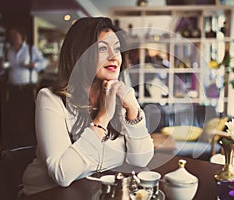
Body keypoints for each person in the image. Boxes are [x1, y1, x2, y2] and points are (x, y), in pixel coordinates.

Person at [22, 17, 154, 195]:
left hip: (92, 191)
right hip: (48, 194)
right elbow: (62, 174)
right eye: (102, 48)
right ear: (80, 54)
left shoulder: (118, 96)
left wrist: (133, 110)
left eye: (117, 48)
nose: (114, 57)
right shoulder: (50, 99)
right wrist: (103, 118)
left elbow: (140, 159)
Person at [1, 26, 48, 149]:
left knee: (30, 114)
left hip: (28, 88)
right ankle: (15, 142)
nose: (13, 38)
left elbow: (44, 62)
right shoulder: (8, 51)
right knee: (14, 114)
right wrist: (1, 68)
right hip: (13, 88)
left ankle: (29, 142)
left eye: (15, 35)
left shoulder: (30, 50)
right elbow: (4, 69)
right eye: (11, 36)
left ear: (21, 36)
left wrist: (35, 65)